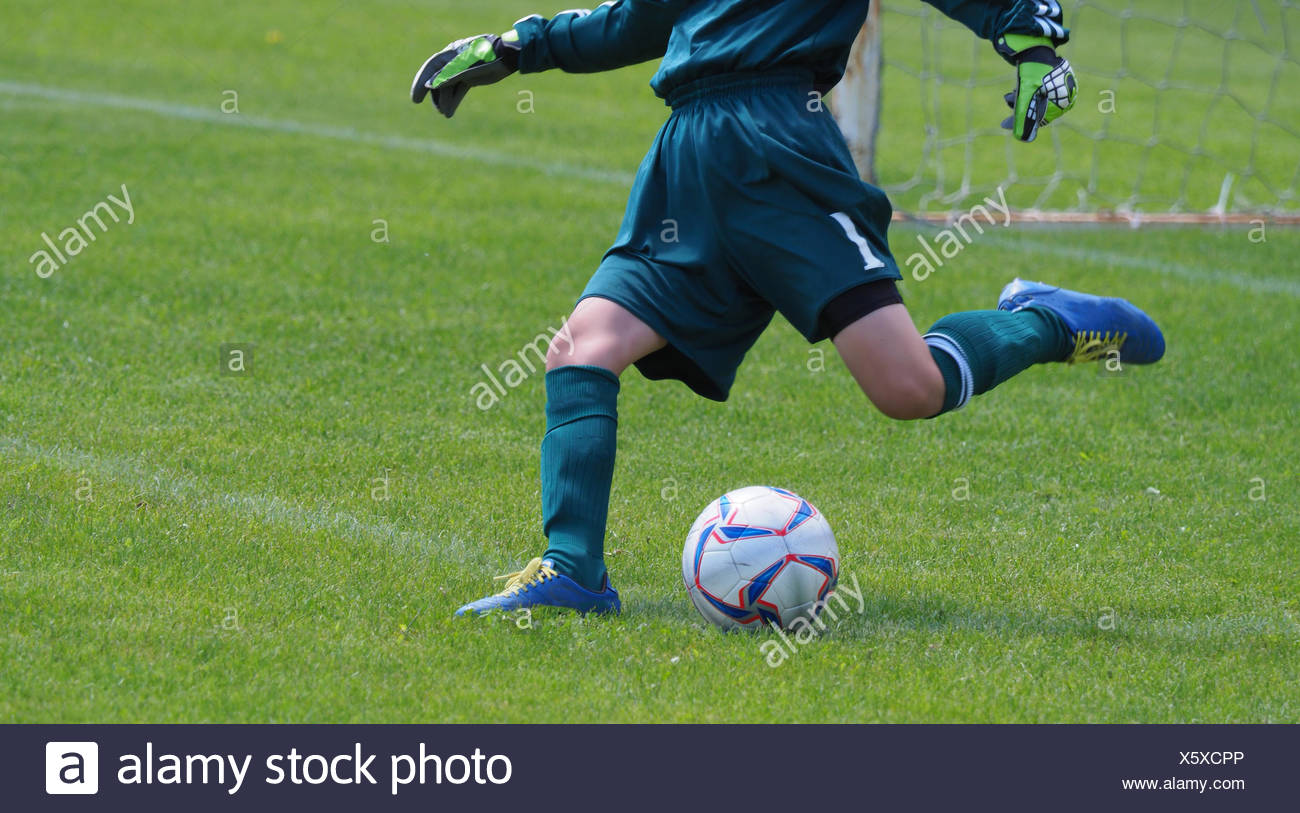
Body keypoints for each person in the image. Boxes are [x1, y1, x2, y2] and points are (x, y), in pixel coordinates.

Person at [409, 1, 1165, 617]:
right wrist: (514, 49)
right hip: (689, 152)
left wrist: (1028, 40)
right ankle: (573, 571)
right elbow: (637, 20)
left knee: (909, 389)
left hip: (780, 141)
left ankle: (1046, 320)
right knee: (583, 347)